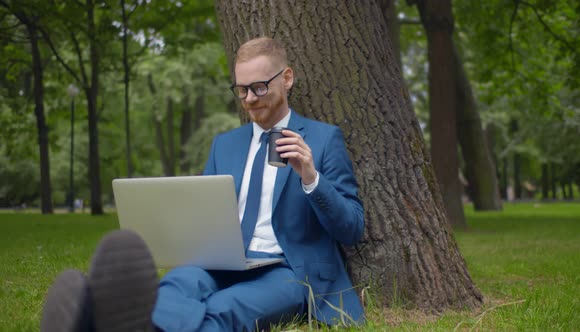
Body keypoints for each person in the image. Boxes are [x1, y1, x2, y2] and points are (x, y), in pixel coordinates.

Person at [41, 37, 365, 332]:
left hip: (288, 269)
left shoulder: (323, 140)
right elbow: (203, 216)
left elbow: (352, 227)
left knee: (224, 308)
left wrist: (311, 177)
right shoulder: (224, 145)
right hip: (222, 260)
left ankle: (94, 322)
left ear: (288, 78)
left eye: (260, 87)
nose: (250, 99)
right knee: (175, 286)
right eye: (242, 89)